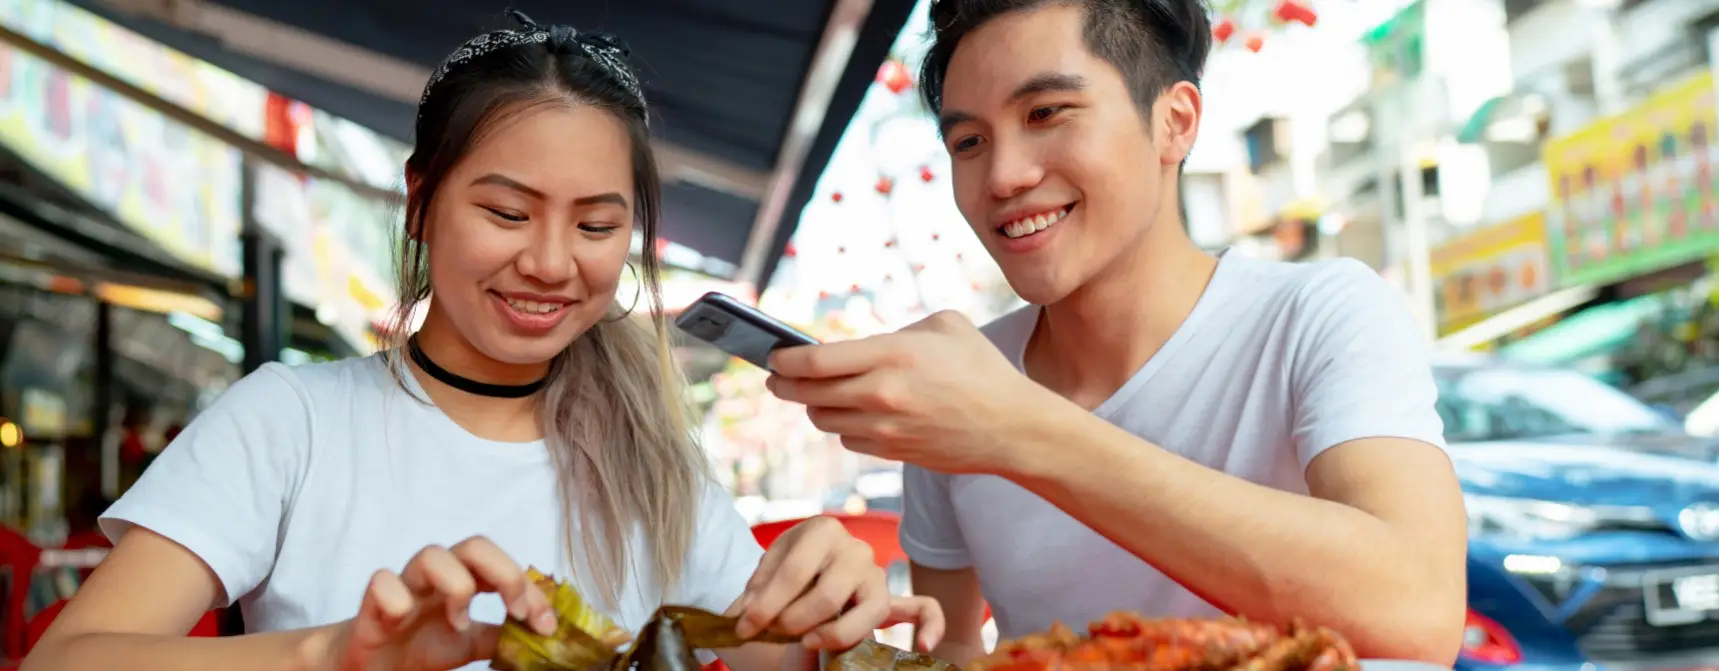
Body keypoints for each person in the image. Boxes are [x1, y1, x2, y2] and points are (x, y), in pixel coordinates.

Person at [24, 13, 940, 671]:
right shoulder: (290, 419)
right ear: (421, 200)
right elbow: (69, 657)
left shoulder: (653, 454)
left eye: (594, 226)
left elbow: (761, 653)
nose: (549, 262)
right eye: (506, 211)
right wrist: (338, 651)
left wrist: (825, 604)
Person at [762, 0, 1466, 665]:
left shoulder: (1317, 313)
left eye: (1046, 112)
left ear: (1175, 122)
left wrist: (1017, 428)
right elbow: (948, 649)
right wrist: (834, 627)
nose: (1002, 175)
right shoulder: (953, 381)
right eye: (969, 141)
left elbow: (1418, 610)